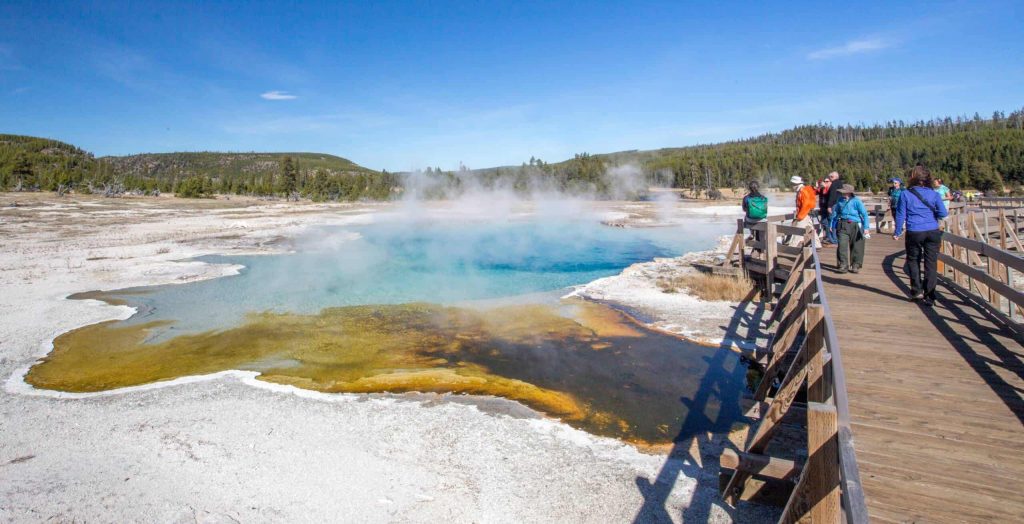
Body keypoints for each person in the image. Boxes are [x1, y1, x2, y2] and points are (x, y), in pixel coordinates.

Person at [894, 165, 948, 306]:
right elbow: (943, 213)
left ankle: (917, 292)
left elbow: (901, 215)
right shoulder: (934, 194)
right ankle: (930, 295)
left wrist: (898, 231)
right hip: (932, 231)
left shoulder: (905, 194)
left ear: (913, 178)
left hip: (914, 231)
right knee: (931, 263)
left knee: (913, 260)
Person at [830, 184, 870, 274]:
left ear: (849, 192)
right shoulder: (840, 200)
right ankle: (843, 265)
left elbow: (864, 214)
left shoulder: (857, 201)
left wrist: (866, 228)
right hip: (842, 224)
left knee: (857, 246)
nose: (842, 194)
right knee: (842, 245)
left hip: (855, 224)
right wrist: (832, 224)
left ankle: (855, 265)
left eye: (843, 192)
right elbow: (835, 213)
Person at [789, 175, 820, 247]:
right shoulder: (804, 189)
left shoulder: (803, 191)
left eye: (792, 184)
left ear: (796, 184)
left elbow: (806, 204)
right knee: (811, 230)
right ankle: (817, 245)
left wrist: (800, 216)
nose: (792, 186)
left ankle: (792, 247)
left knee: (798, 231)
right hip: (806, 213)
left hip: (804, 214)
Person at [742, 180, 768, 253]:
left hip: (750, 221)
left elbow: (744, 209)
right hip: (762, 220)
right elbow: (765, 210)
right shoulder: (763, 198)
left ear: (749, 188)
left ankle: (752, 233)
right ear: (758, 188)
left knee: (747, 217)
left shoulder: (746, 198)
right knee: (761, 235)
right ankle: (761, 252)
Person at [822, 171, 843, 244]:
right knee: (834, 221)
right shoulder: (840, 183)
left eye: (831, 177)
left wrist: (829, 206)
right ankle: (835, 238)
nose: (830, 178)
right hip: (839, 205)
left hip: (834, 205)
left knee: (831, 222)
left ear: (835, 177)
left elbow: (832, 195)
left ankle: (833, 239)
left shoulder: (834, 184)